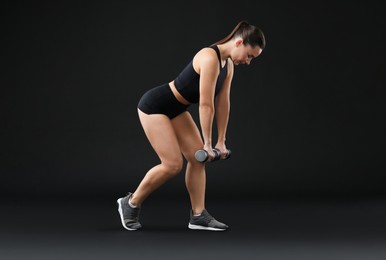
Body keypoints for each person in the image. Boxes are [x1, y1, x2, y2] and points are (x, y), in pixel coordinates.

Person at [117, 20, 266, 231]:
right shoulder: (209, 57)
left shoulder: (229, 65)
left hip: (176, 108)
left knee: (197, 160)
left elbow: (223, 103)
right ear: (239, 42)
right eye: (249, 56)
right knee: (172, 165)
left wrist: (221, 141)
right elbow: (206, 105)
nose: (249, 62)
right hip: (155, 105)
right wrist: (207, 144)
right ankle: (130, 203)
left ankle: (198, 215)